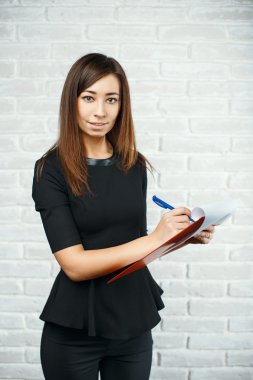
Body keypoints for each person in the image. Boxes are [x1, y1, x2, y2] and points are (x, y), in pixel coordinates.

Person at [32, 53, 215, 380]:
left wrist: (179, 239)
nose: (100, 111)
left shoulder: (134, 165)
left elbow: (134, 250)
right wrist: (154, 238)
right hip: (75, 332)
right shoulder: (51, 170)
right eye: (89, 97)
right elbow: (74, 265)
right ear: (72, 101)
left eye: (111, 99)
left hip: (133, 325)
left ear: (122, 106)